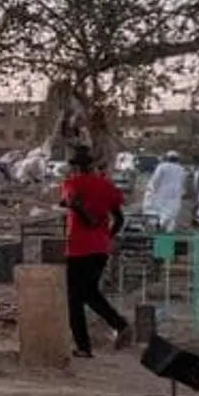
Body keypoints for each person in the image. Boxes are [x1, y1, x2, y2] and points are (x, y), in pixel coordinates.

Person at [60, 146, 130, 358]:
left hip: (78, 248)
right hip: (100, 248)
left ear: (74, 167)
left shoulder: (72, 183)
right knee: (90, 292)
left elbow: (70, 201)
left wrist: (83, 216)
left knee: (74, 298)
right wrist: (107, 236)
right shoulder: (106, 186)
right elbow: (120, 218)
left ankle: (83, 346)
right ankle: (120, 325)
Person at [143, 150, 185, 230]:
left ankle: (158, 226)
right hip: (174, 196)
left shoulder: (162, 166)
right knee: (171, 215)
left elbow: (155, 180)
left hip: (161, 194)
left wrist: (153, 189)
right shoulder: (181, 169)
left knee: (158, 212)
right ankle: (167, 231)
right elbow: (182, 183)